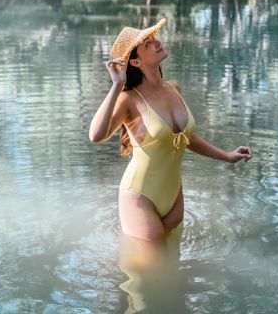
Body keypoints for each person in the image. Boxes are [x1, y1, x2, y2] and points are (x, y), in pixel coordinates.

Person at [89, 17, 253, 244]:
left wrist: (226, 156)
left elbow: (186, 138)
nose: (156, 42)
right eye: (147, 43)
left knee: (171, 266)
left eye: (153, 38)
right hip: (140, 197)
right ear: (135, 62)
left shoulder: (173, 89)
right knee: (144, 274)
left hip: (173, 195)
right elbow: (96, 136)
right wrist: (116, 85)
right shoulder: (129, 99)